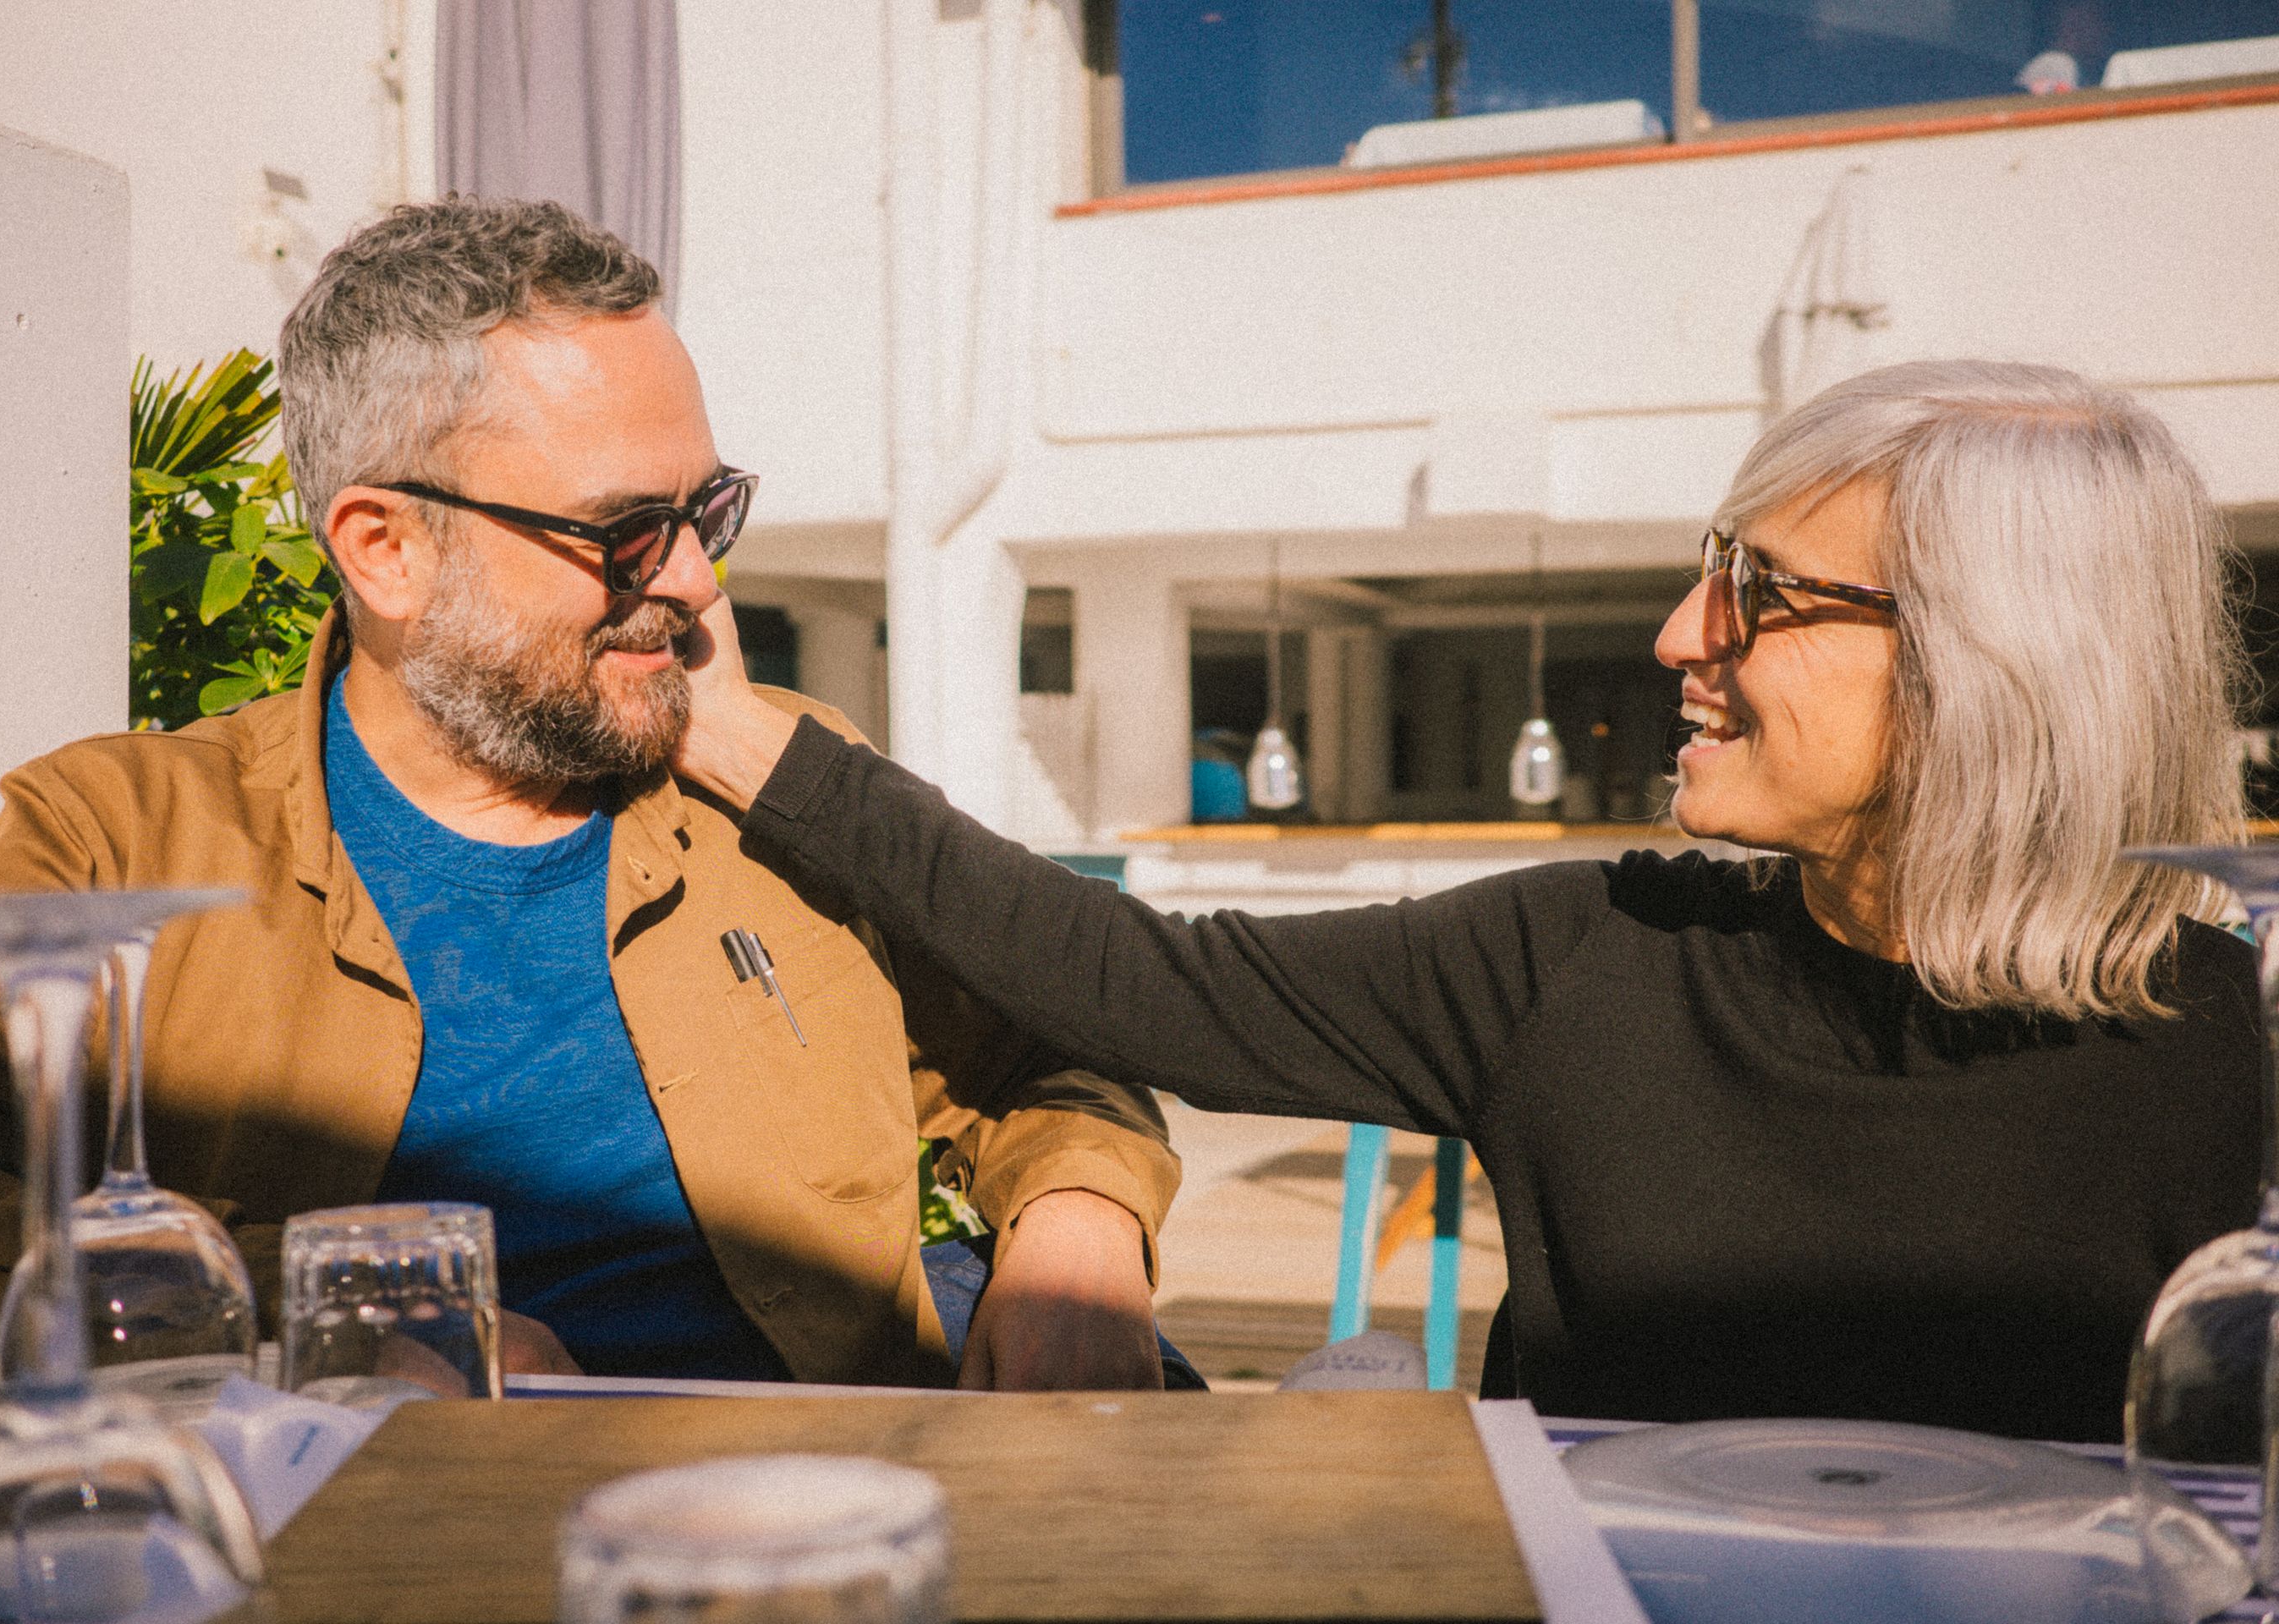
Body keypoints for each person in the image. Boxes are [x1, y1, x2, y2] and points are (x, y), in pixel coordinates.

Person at [672, 359, 2260, 1441]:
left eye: (1759, 592)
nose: (1677, 635)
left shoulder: (2233, 1052)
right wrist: (748, 735)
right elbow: (1130, 976)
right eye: (1714, 564)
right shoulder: (1590, 962)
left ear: (1991, 669)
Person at [0, 199, 1180, 1393]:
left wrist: (1081, 1222)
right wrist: (309, 1311)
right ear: (386, 550)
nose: (698, 585)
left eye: (704, 510)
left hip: (823, 1516)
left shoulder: (778, 774)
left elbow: (1051, 1048)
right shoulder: (121, 840)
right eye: (622, 535)